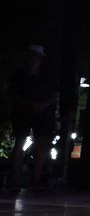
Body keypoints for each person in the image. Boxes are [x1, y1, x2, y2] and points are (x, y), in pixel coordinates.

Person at [9, 44, 59, 190]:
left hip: (42, 112)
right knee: (20, 142)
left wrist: (43, 105)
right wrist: (29, 104)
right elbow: (13, 93)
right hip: (24, 112)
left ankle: (35, 179)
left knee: (41, 144)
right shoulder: (19, 74)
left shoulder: (48, 75)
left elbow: (55, 93)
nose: (33, 58)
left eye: (36, 56)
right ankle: (16, 179)